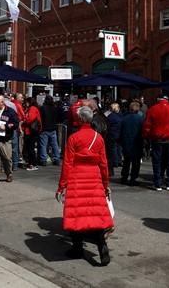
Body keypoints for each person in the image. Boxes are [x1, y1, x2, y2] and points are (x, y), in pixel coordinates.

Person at [54, 106, 114, 266]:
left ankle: (77, 248)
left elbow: (67, 163)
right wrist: (105, 184)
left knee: (76, 215)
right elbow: (104, 163)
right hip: (94, 178)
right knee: (95, 214)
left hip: (77, 178)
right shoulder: (98, 138)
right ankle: (102, 246)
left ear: (80, 119)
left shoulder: (74, 138)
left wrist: (61, 187)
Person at [142, 94, 169, 191]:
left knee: (157, 161)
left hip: (157, 139)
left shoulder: (153, 109)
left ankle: (158, 183)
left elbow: (147, 125)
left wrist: (145, 137)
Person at [119, 101, 144, 186]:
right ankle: (133, 178)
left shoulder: (124, 118)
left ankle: (124, 177)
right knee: (136, 162)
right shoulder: (140, 119)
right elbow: (143, 131)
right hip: (137, 142)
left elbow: (121, 130)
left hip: (126, 141)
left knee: (126, 161)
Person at [39, 95, 61, 166]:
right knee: (54, 144)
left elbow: (40, 118)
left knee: (43, 144)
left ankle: (43, 159)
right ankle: (57, 158)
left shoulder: (42, 108)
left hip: (45, 128)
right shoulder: (54, 108)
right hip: (53, 128)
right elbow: (57, 118)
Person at [22, 96, 42, 170]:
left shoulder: (32, 108)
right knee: (30, 147)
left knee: (30, 148)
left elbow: (30, 119)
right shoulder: (33, 108)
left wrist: (24, 120)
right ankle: (32, 163)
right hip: (31, 130)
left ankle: (33, 164)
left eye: (26, 102)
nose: (25, 103)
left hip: (31, 131)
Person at [105, 102, 123, 174]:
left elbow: (107, 124)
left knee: (114, 147)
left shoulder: (111, 116)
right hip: (120, 133)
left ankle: (115, 162)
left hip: (113, 133)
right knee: (119, 147)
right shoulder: (120, 115)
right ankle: (119, 161)